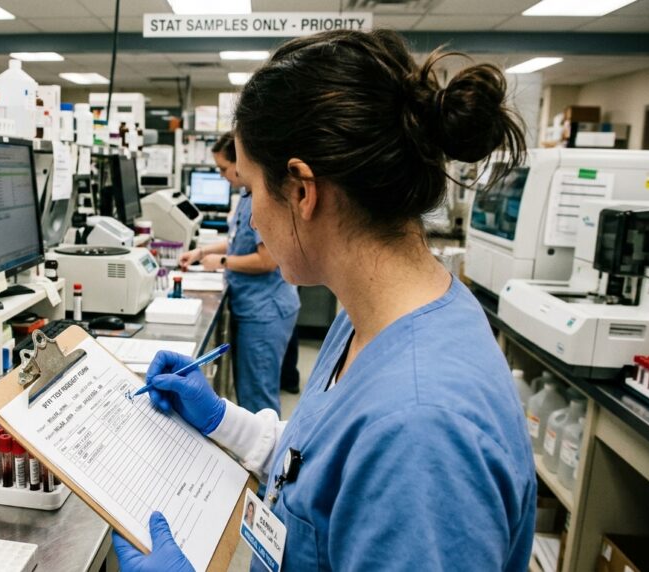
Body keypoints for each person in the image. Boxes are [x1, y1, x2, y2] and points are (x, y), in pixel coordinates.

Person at [113, 30, 535, 571]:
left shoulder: (421, 435)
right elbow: (322, 463)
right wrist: (223, 421)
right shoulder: (374, 316)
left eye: (251, 189)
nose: (253, 215)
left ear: (301, 191)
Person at [179, 132, 299, 415]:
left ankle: (264, 459)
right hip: (254, 305)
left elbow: (267, 260)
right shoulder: (246, 197)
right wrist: (202, 252)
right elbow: (237, 240)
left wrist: (222, 261)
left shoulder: (263, 198)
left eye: (223, 168)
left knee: (258, 398)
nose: (221, 176)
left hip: (265, 310)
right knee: (249, 391)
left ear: (241, 163)